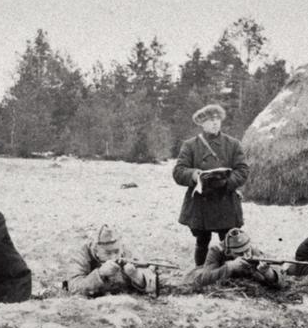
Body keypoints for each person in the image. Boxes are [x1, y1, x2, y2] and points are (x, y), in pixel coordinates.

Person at [173, 104, 249, 266]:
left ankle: (229, 272)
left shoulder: (233, 144)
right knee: (202, 242)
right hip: (201, 202)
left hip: (226, 200)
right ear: (201, 123)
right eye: (209, 120)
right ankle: (200, 272)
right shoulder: (190, 145)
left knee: (230, 241)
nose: (215, 123)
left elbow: (242, 170)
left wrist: (227, 182)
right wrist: (194, 175)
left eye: (217, 120)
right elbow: (179, 171)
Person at [67, 225, 157, 298]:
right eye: (108, 253)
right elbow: (74, 288)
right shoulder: (81, 256)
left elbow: (152, 281)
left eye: (116, 251)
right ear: (96, 251)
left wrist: (136, 276)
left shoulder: (126, 251)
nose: (114, 257)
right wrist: (99, 274)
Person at [190, 228, 283, 289]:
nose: (245, 255)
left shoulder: (255, 252)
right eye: (239, 253)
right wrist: (229, 267)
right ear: (228, 251)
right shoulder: (216, 251)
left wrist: (268, 273)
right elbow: (203, 279)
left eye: (247, 250)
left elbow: (281, 283)